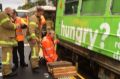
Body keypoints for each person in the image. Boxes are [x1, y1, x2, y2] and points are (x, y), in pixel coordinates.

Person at [0, 7, 17, 77]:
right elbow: (8, 25)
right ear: (7, 10)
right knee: (7, 57)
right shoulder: (3, 14)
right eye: (11, 11)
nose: (12, 13)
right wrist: (16, 26)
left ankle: (6, 71)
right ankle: (7, 73)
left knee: (7, 57)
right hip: (6, 40)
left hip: (8, 40)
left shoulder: (6, 15)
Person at [26, 6, 44, 71]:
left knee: (37, 51)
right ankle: (34, 67)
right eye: (41, 13)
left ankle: (34, 62)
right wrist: (34, 39)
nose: (42, 14)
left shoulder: (39, 18)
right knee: (35, 52)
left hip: (36, 37)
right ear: (38, 12)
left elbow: (39, 30)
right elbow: (31, 30)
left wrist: (40, 38)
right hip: (32, 37)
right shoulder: (33, 18)